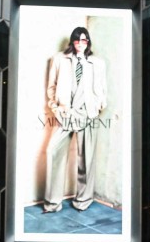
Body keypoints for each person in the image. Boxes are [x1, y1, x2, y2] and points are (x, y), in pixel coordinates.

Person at [43, 26, 108, 214]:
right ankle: (52, 203)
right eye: (77, 40)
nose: (81, 43)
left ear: (88, 42)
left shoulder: (97, 63)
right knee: (52, 151)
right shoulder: (58, 59)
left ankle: (83, 200)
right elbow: (51, 88)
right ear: (72, 41)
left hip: (88, 114)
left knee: (86, 160)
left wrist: (97, 107)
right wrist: (56, 109)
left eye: (84, 40)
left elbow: (102, 89)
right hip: (65, 114)